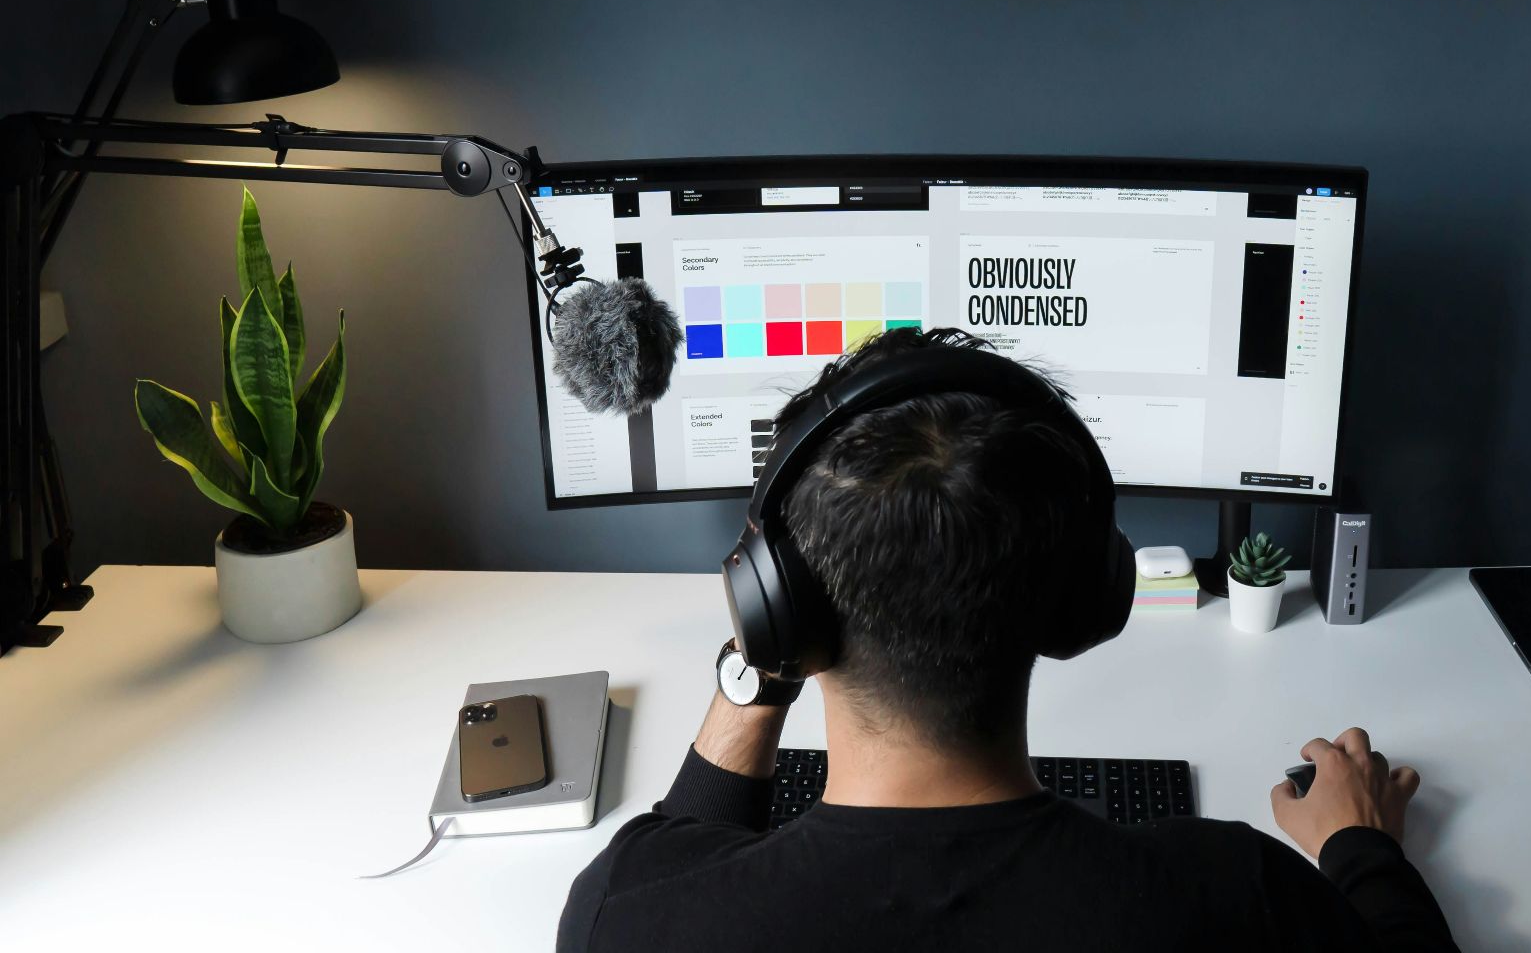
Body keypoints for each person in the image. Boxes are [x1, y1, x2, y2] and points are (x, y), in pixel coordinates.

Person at [558, 328, 1457, 951]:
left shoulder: (630, 914)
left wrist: (759, 668)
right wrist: (1361, 844)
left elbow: (681, 842)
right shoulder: (1233, 896)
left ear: (775, 609)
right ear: (1084, 601)